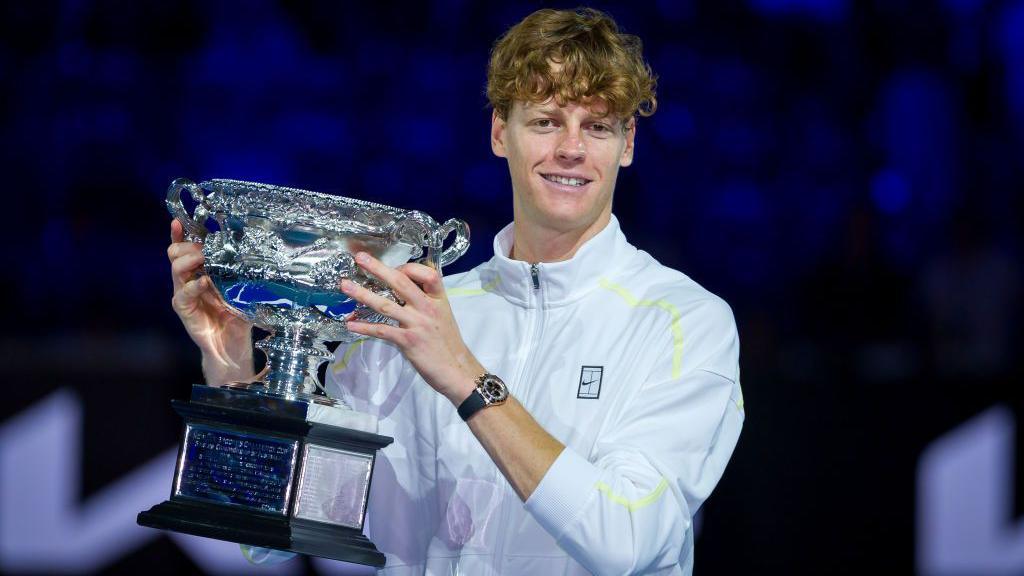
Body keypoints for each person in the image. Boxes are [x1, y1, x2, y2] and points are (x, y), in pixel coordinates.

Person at [167, 7, 744, 575]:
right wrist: (231, 365)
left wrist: (466, 377)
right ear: (500, 132)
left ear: (627, 143)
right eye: (545, 121)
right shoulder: (410, 318)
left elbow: (627, 543)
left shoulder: (685, 323)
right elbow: (272, 534)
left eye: (596, 126)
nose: (571, 148)